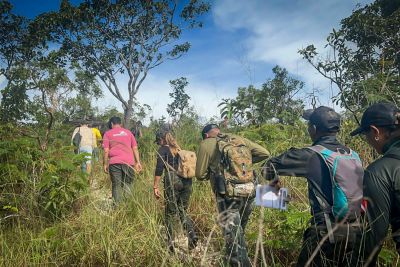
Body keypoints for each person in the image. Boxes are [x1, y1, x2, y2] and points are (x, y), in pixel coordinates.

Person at [263, 106, 364, 267]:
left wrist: (274, 186)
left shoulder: (309, 155)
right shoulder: (353, 154)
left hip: (325, 234)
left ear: (314, 129)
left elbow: (268, 166)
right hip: (357, 231)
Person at [196, 124, 270, 266]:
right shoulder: (238, 139)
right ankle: (236, 260)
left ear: (206, 135)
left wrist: (215, 171)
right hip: (249, 191)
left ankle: (240, 263)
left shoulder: (206, 144)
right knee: (239, 231)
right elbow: (265, 153)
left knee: (232, 236)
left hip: (227, 194)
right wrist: (243, 163)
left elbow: (199, 174)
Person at [350, 102, 400, 266]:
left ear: (376, 132)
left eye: (366, 134)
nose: (368, 140)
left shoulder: (379, 172)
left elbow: (372, 239)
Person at [153, 131, 198, 252]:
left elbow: (159, 169)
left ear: (161, 140)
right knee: (182, 209)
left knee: (170, 211)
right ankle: (192, 234)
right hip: (187, 181)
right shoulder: (179, 149)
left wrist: (155, 186)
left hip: (172, 179)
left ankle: (170, 243)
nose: (158, 143)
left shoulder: (163, 149)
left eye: (158, 141)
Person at [103, 116, 142, 203]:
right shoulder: (128, 133)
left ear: (112, 124)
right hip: (129, 162)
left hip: (114, 163)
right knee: (128, 184)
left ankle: (117, 208)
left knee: (116, 185)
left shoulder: (107, 134)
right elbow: (135, 148)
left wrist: (105, 164)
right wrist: (138, 162)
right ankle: (128, 207)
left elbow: (106, 151)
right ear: (120, 124)